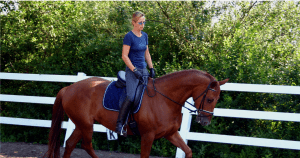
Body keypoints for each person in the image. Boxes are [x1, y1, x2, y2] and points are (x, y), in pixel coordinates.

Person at [115, 11, 155, 135]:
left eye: (144, 22)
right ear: (133, 23)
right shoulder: (129, 36)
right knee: (131, 96)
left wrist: (151, 68)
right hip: (132, 71)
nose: (142, 25)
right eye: (140, 22)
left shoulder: (145, 36)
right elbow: (124, 56)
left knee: (151, 94)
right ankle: (120, 124)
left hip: (143, 70)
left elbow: (146, 53)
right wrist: (134, 70)